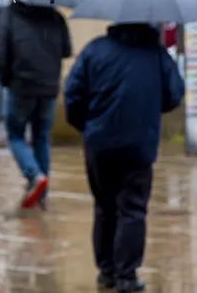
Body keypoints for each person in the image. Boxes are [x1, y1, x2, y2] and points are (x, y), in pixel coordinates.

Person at [64, 23, 184, 293]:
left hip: (99, 144)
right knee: (133, 208)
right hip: (139, 144)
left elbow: (72, 94)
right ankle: (126, 276)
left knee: (104, 206)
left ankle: (107, 272)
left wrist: (88, 126)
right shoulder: (157, 54)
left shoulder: (94, 50)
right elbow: (174, 95)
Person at [0, 0, 71, 209]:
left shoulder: (10, 14)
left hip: (20, 86)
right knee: (41, 136)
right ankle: (42, 193)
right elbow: (66, 50)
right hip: (49, 87)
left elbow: (0, 53)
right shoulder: (55, 15)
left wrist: (5, 79)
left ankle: (34, 175)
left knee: (15, 134)